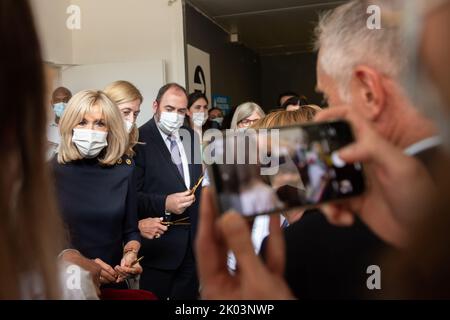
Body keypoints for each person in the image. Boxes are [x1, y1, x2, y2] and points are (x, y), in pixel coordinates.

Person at [196, 0, 441, 300]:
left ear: (368, 92)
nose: (323, 116)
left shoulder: (313, 243)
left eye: (326, 98)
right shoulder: (413, 202)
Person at [53, 90, 142, 288]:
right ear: (69, 125)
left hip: (113, 279)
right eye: (82, 122)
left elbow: (131, 230)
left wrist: (130, 254)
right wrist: (84, 265)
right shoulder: (50, 172)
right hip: (67, 284)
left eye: (100, 123)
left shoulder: (125, 169)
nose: (90, 130)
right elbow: (42, 239)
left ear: (110, 128)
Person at [135, 83, 203, 300]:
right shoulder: (138, 140)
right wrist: (164, 202)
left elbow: (197, 185)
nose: (175, 116)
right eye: (169, 109)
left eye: (181, 111)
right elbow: (130, 198)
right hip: (159, 247)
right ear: (156, 106)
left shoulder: (190, 136)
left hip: (192, 247)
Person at [104, 81, 168, 242]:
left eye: (136, 114)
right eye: (126, 112)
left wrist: (134, 227)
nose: (131, 120)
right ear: (107, 109)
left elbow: (128, 201)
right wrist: (136, 227)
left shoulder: (129, 146)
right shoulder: (93, 150)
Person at [47, 87, 72, 160]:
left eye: (65, 100)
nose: (61, 104)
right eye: (57, 101)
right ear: (52, 103)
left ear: (71, 102)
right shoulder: (44, 129)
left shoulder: (79, 127)